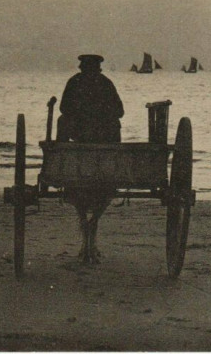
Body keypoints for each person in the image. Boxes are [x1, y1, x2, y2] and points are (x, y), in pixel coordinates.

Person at [56, 54, 124, 263]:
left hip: (79, 143)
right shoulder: (106, 83)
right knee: (114, 125)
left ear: (82, 67)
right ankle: (90, 239)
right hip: (104, 144)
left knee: (62, 121)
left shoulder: (74, 82)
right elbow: (120, 111)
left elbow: (63, 109)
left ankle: (59, 162)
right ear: (99, 68)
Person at [57, 54, 124, 143]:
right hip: (80, 128)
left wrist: (99, 116)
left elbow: (119, 111)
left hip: (101, 130)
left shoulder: (105, 83)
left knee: (114, 123)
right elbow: (64, 108)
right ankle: (62, 151)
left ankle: (113, 151)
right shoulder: (74, 82)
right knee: (63, 120)